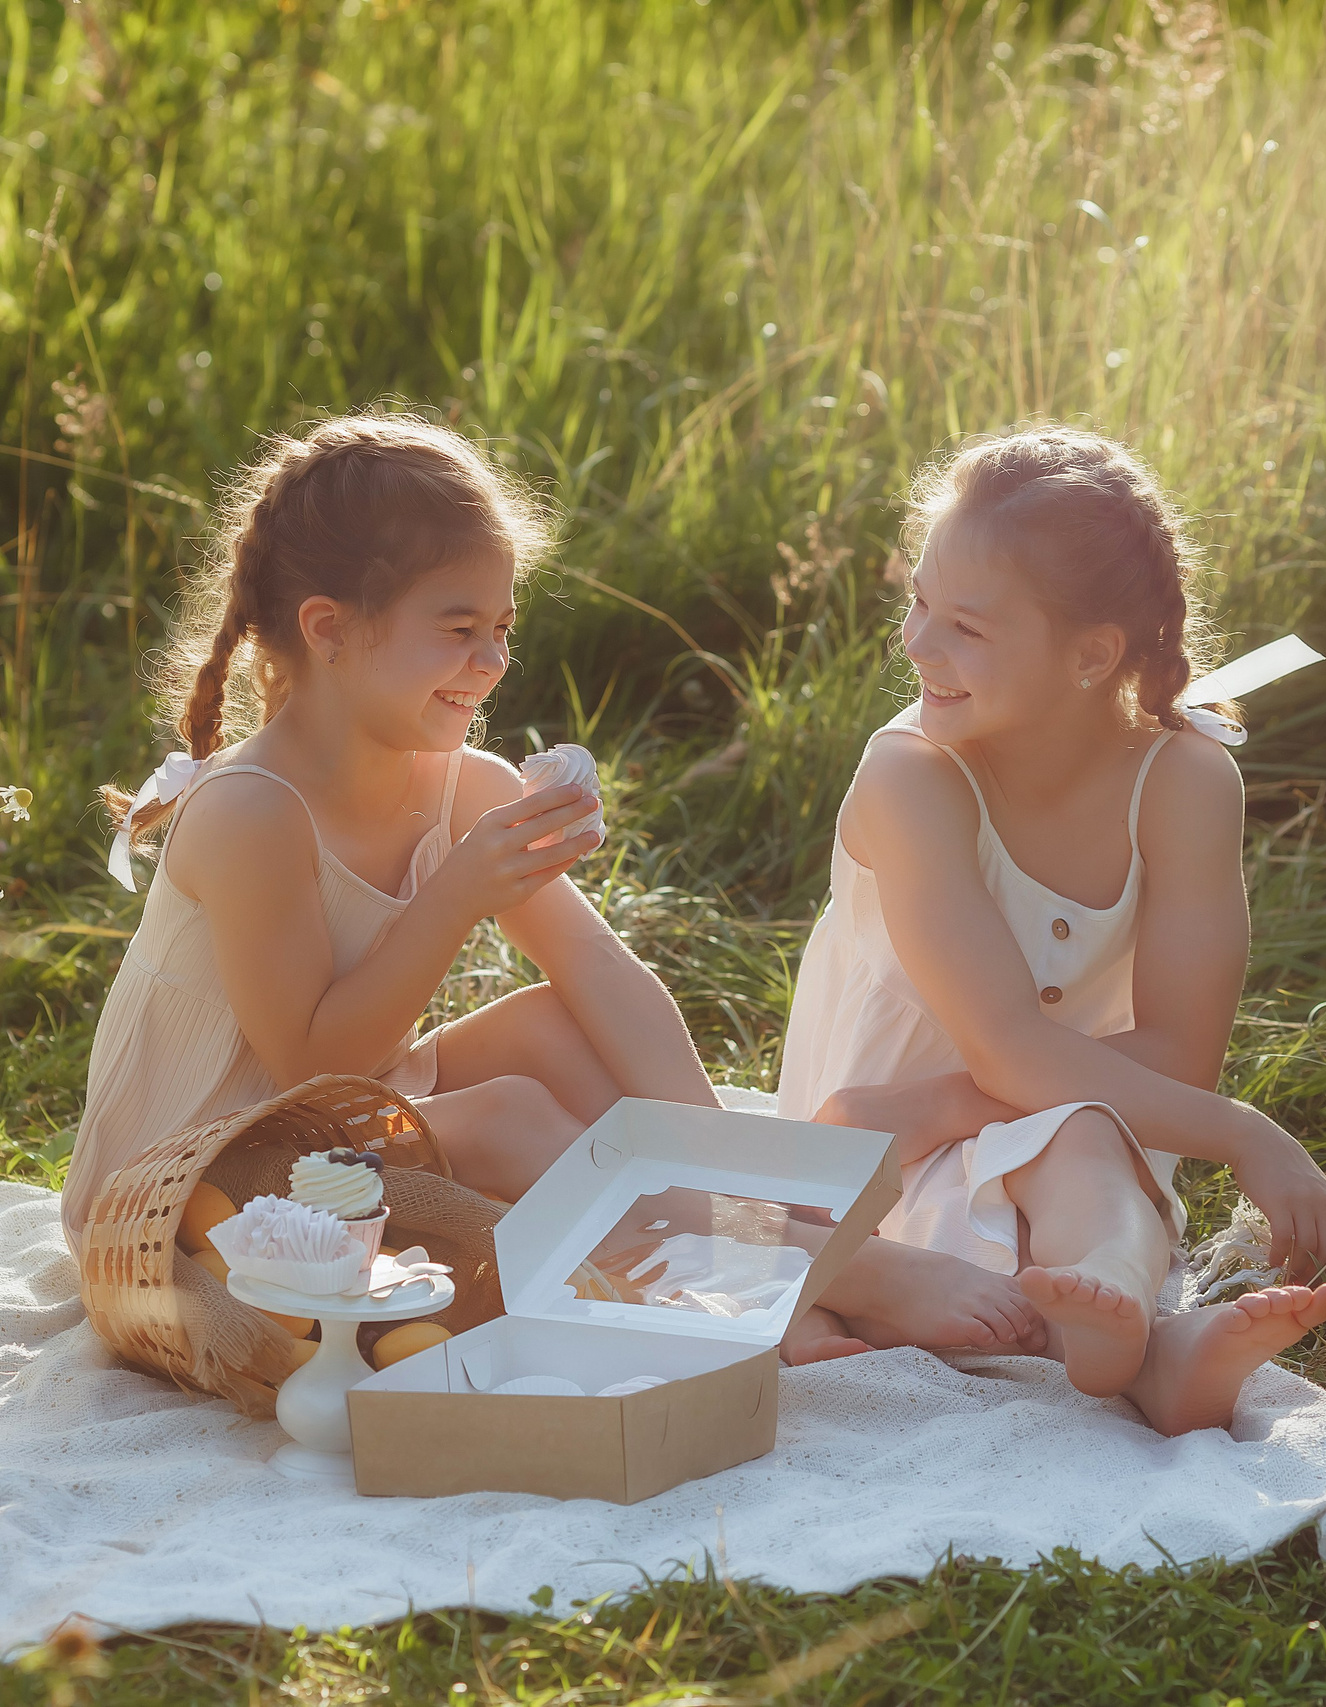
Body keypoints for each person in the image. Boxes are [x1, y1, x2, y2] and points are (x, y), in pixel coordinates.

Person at [72, 412, 1039, 1359]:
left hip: (339, 1141)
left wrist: (746, 1176)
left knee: (554, 1024)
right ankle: (830, 1268)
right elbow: (312, 1068)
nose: (493, 660)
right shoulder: (253, 813)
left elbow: (598, 968)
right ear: (328, 629)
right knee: (506, 1114)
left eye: (502, 626)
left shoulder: (464, 787)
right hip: (193, 1203)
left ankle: (767, 1253)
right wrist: (457, 894)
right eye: (459, 628)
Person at [776, 424, 1326, 1431]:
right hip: (878, 1160)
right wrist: (1243, 1134)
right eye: (918, 602)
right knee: (1074, 1125)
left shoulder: (1183, 779)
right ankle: (1144, 1348)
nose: (917, 644)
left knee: (1078, 1135)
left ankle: (1117, 1309)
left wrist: (952, 1101)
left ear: (1092, 655)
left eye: (965, 626)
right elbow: (1012, 1046)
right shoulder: (912, 776)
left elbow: (1181, 1054)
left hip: (1059, 1139)